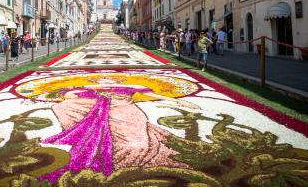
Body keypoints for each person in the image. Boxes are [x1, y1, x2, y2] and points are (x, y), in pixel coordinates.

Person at [37, 77, 200, 183]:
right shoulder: (94, 90)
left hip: (130, 113)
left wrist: (179, 102)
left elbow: (153, 94)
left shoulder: (131, 87)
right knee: (125, 142)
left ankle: (131, 165)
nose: (107, 81)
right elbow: (71, 96)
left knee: (139, 143)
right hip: (111, 113)